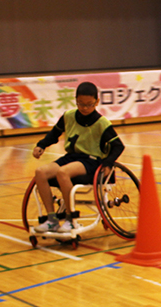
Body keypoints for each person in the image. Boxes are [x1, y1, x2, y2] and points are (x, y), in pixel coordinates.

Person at [31, 82, 125, 234]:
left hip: (91, 160)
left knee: (63, 172)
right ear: (75, 100)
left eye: (89, 104)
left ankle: (70, 220)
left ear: (97, 102)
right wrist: (41, 145)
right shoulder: (68, 116)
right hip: (71, 157)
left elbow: (118, 146)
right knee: (40, 172)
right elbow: (54, 133)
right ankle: (52, 220)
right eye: (81, 104)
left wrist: (108, 163)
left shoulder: (102, 123)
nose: (85, 108)